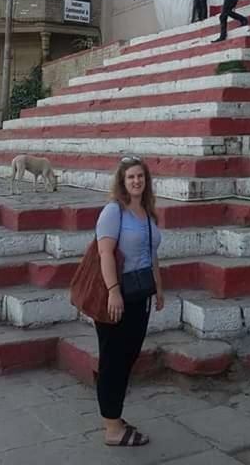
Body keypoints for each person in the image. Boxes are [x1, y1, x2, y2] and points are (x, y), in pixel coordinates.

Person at [94, 155, 164, 447]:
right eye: (131, 177)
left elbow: (153, 254)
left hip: (141, 295)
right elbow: (105, 253)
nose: (136, 181)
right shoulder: (114, 211)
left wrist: (159, 289)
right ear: (122, 182)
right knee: (114, 360)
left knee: (127, 358)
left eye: (140, 177)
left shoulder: (147, 213)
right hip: (118, 296)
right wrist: (113, 290)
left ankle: (115, 417)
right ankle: (112, 428)